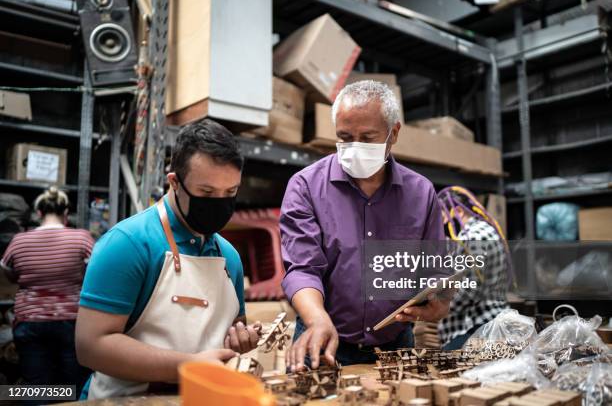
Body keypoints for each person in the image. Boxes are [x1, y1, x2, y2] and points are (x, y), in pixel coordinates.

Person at [75, 119, 260, 399]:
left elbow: (231, 329)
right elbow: (91, 346)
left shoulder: (229, 258)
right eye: (206, 193)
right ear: (174, 182)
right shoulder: (128, 244)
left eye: (230, 192)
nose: (219, 202)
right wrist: (188, 366)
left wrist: (240, 339)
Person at [280, 80, 451, 371]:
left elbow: (434, 270)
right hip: (323, 342)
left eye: (367, 137)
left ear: (393, 133)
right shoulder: (306, 187)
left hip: (395, 348)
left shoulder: (421, 194)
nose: (354, 148)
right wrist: (317, 319)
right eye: (345, 137)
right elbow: (303, 269)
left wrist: (439, 303)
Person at [0, 187, 94, 393]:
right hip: (71, 321)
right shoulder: (81, 238)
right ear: (66, 213)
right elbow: (94, 275)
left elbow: (9, 274)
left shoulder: (19, 241)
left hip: (29, 321)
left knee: (36, 385)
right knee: (73, 384)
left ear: (39, 213)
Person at [436, 186, 510, 350]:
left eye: (443, 216)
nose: (443, 223)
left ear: (458, 212)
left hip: (474, 329)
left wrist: (436, 306)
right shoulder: (486, 230)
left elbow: (469, 289)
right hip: (489, 323)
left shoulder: (472, 237)